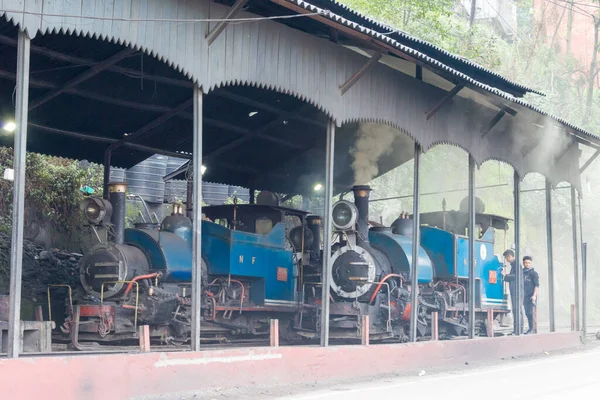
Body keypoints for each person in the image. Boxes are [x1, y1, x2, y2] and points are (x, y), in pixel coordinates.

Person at [501, 249, 524, 335]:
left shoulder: (516, 265)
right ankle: (517, 330)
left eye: (507, 258)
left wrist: (506, 275)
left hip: (517, 291)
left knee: (517, 310)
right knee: (516, 310)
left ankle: (518, 330)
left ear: (510, 256)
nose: (506, 260)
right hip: (516, 291)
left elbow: (516, 276)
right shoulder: (514, 265)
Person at [522, 256, 540, 334]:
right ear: (523, 263)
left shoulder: (533, 273)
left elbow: (537, 285)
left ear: (531, 263)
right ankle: (530, 328)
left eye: (529, 263)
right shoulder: (521, 272)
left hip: (531, 296)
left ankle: (533, 329)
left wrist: (534, 296)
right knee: (527, 313)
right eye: (526, 263)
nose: (527, 264)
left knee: (531, 313)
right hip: (524, 296)